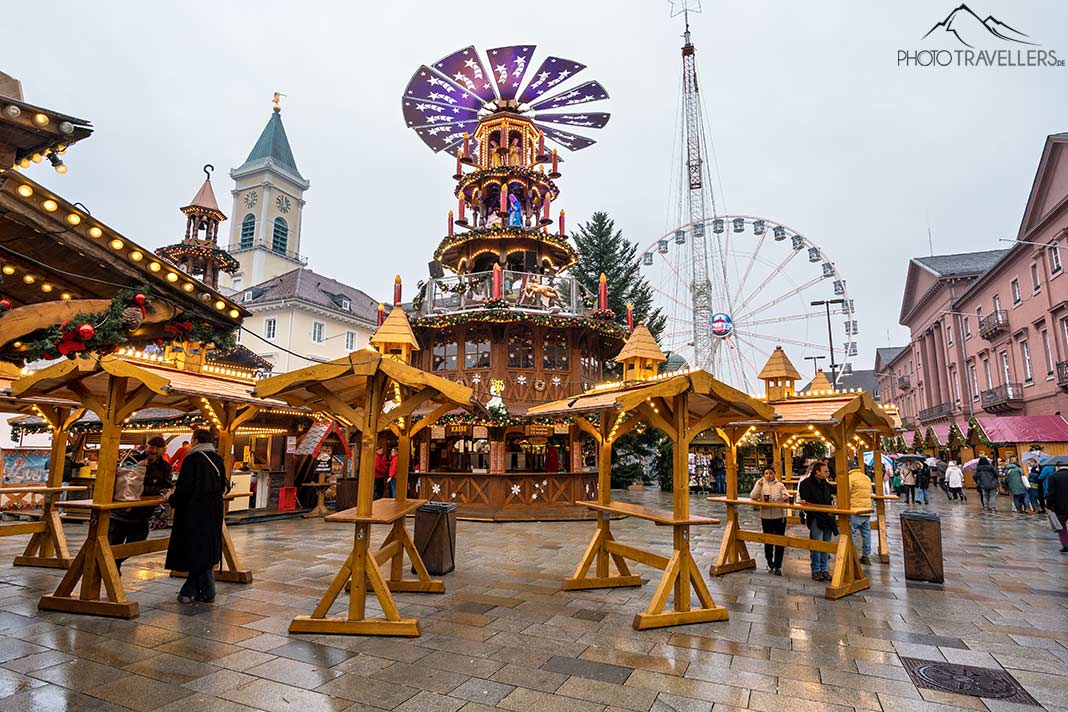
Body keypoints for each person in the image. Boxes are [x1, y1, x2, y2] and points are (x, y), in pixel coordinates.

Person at [165, 429, 225, 604]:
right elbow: (222, 485)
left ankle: (199, 590)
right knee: (205, 548)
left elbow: (184, 488)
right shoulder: (217, 459)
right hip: (213, 511)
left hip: (193, 512)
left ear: (196, 440)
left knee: (195, 549)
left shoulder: (192, 460)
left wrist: (171, 498)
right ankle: (203, 590)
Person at [109, 436, 172, 572]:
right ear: (146, 446)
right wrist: (137, 468)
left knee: (137, 544)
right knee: (113, 544)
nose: (153, 451)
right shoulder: (131, 458)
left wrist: (144, 489)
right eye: (151, 447)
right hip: (120, 512)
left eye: (157, 448)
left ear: (163, 450)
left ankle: (112, 564)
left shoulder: (165, 467)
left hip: (143, 514)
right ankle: (112, 571)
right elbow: (120, 478)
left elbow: (165, 487)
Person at [798, 461, 836, 581]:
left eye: (828, 471)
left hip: (828, 517)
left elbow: (835, 490)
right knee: (817, 543)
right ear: (817, 472)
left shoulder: (825, 483)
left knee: (826, 543)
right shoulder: (806, 483)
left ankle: (824, 569)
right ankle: (816, 569)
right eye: (825, 471)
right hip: (815, 517)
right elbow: (805, 500)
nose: (828, 473)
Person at [750, 466, 788, 576]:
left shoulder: (780, 485)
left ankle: (778, 565)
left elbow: (786, 495)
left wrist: (785, 497)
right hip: (766, 516)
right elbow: (753, 496)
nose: (768, 475)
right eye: (766, 473)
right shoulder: (760, 484)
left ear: (774, 474)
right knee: (768, 540)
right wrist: (759, 486)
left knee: (779, 541)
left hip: (779, 516)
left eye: (770, 473)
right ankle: (769, 559)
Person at [847, 467, 874, 565]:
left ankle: (852, 555)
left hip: (855, 508)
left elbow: (846, 492)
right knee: (866, 533)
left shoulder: (850, 478)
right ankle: (866, 555)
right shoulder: (866, 478)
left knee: (852, 532)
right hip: (866, 509)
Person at [1046, 466, 1068, 552]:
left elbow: (1051, 493)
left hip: (1060, 506)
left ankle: (1066, 544)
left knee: (1061, 524)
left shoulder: (1053, 476)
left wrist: (1049, 506)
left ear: (1057, 467)